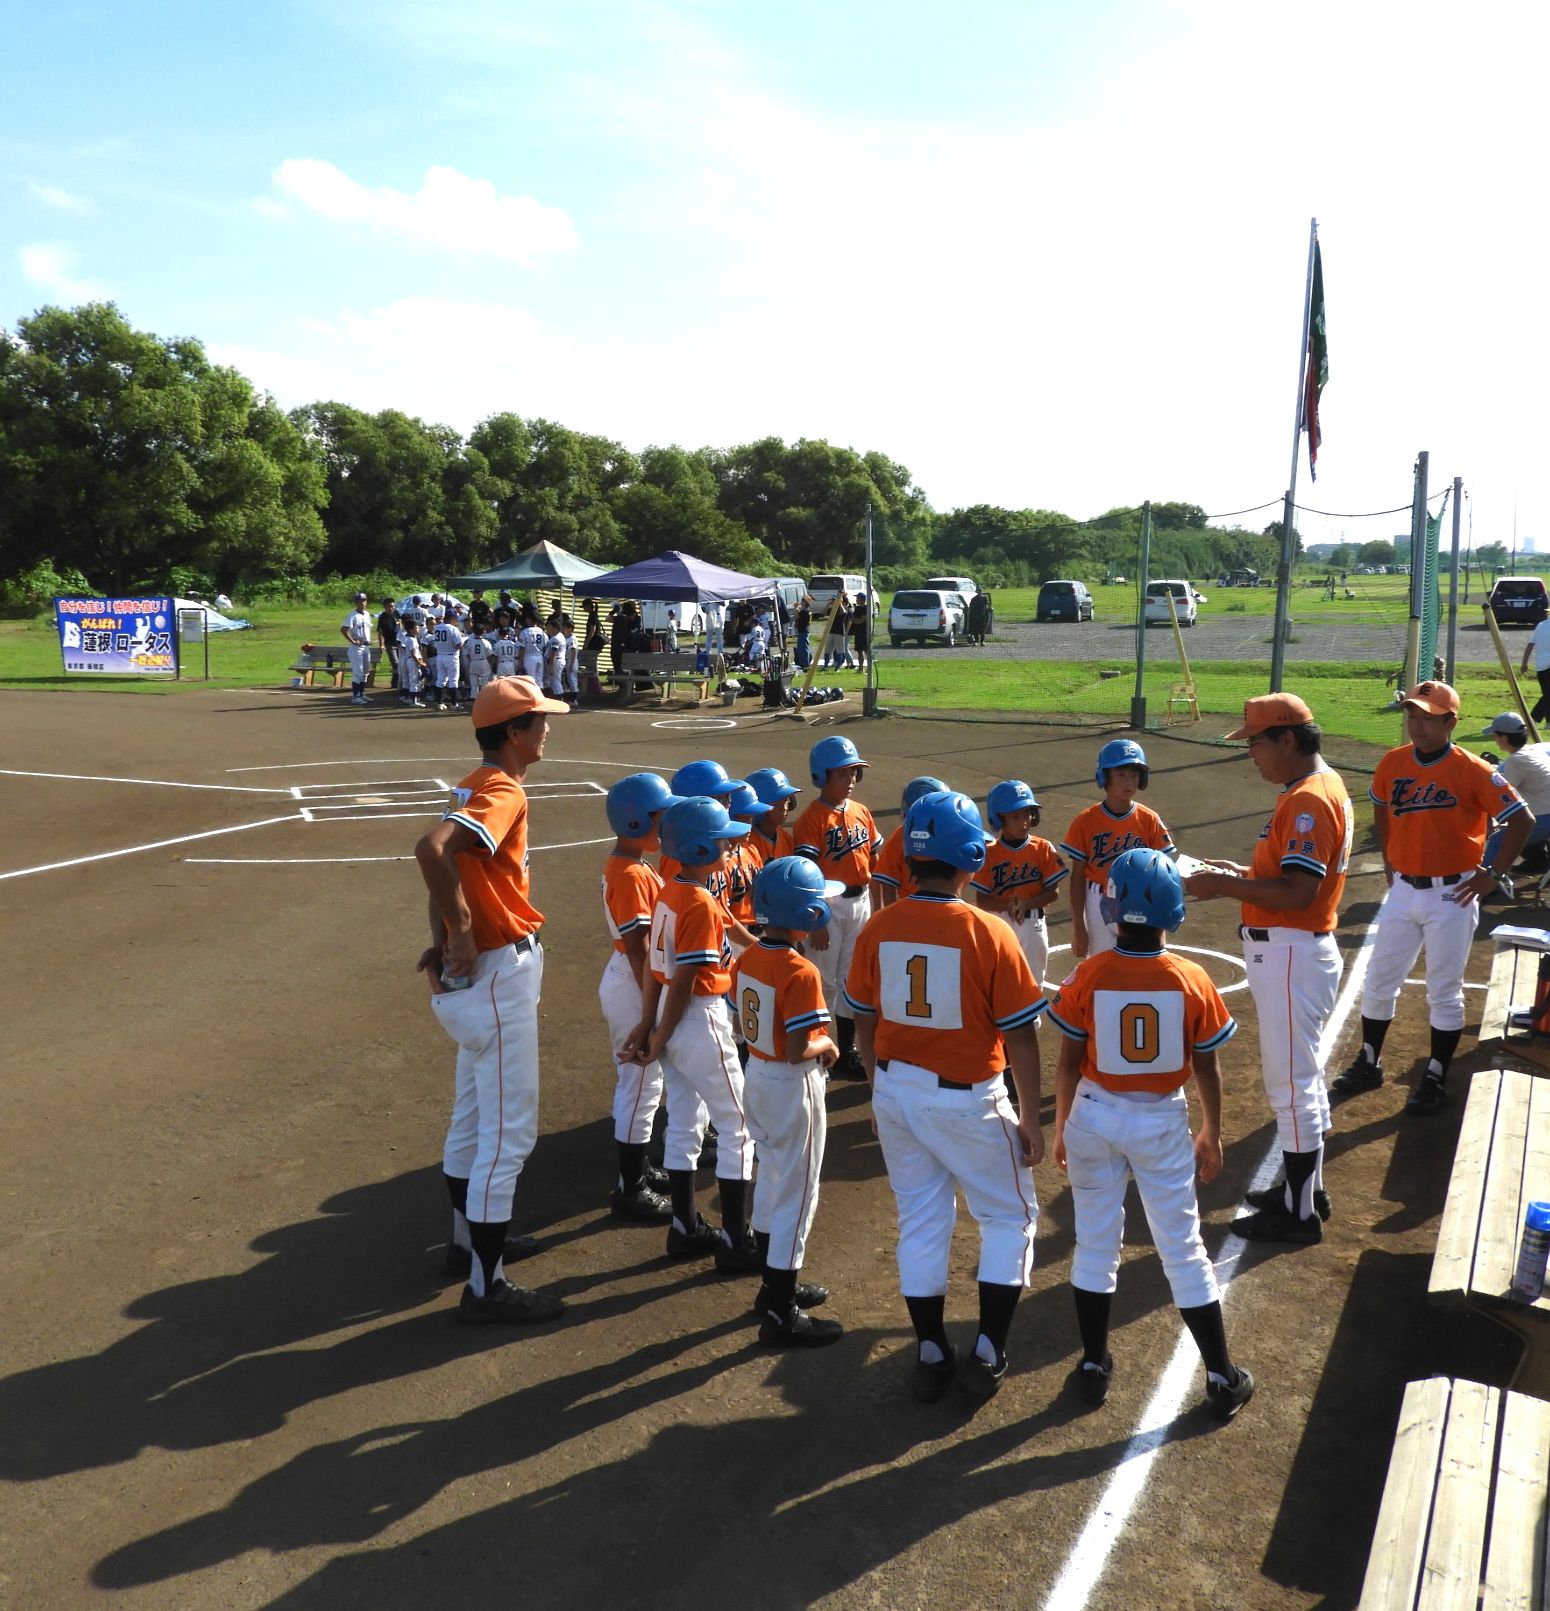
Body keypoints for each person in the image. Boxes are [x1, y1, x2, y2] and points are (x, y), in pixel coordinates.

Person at [845, 790, 1043, 1404]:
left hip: (896, 1091)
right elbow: (1021, 1035)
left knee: (922, 1221)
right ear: (971, 857)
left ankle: (932, 1351)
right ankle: (986, 1351)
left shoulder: (880, 925)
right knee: (1009, 1217)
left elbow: (863, 1019)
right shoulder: (990, 931)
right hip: (968, 1099)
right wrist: (1031, 1118)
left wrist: (877, 1091)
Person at [1046, 849, 1255, 1421]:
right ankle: (1221, 1375)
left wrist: (1062, 1128)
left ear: (1112, 908)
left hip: (1093, 1114)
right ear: (1174, 911)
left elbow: (1067, 1066)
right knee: (1182, 1248)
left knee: (1095, 1243)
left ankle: (1094, 1364)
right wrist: (1211, 1131)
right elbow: (1207, 1066)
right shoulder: (1192, 978)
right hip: (1160, 1118)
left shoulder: (1089, 973)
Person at [413, 676, 572, 1325]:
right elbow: (431, 850)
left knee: (474, 1118)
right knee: (508, 1135)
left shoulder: (471, 784)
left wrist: (444, 934)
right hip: (501, 969)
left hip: (486, 973)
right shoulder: (503, 789)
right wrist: (460, 929)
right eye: (539, 720)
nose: (547, 729)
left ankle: (466, 1244)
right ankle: (486, 1284)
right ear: (514, 731)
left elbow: (446, 866)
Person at [1183, 694, 1353, 1244]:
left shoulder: (1309, 801)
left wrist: (1222, 886)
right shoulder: (1316, 788)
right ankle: (1307, 1193)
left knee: (1291, 1086)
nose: (1251, 753)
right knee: (1303, 1080)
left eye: (1255, 742)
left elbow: (1299, 892)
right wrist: (1240, 873)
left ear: (1286, 739)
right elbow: (1287, 874)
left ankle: (1299, 1216)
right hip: (1293, 952)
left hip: (1291, 952)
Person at [1332, 680, 1531, 1113]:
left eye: (1428, 717)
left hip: (1453, 895)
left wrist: (1493, 874)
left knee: (1443, 990)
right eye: (1412, 715)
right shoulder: (1393, 761)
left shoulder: (1473, 769)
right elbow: (1381, 805)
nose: (1417, 724)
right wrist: (1389, 856)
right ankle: (1369, 1062)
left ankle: (1436, 1074)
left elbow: (1522, 819)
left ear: (1450, 722)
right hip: (1404, 891)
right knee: (1379, 980)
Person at [621, 797, 759, 1270]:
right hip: (697, 1017)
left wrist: (650, 1023)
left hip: (673, 1017)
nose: (730, 844)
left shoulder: (672, 890)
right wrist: (657, 1035)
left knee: (684, 1120)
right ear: (700, 848)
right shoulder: (697, 900)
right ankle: (737, 1242)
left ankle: (684, 1228)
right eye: (722, 839)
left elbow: (657, 965)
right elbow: (684, 977)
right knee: (739, 1125)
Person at [736, 858, 846, 1347]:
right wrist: (829, 1043)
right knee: (799, 1194)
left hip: (757, 1076)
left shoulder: (748, 956)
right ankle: (781, 1312)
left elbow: (743, 1024)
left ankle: (772, 1286)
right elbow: (801, 1046)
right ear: (807, 913)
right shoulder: (800, 970)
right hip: (791, 1085)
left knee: (772, 1178)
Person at [599, 774, 682, 1222]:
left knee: (645, 1084)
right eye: (659, 816)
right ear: (634, 820)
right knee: (640, 1085)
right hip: (635, 983)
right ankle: (629, 1188)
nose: (665, 824)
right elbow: (639, 949)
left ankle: (639, 1169)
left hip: (637, 979)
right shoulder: (630, 873)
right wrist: (650, 1014)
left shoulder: (635, 864)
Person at [791, 735, 882, 1079]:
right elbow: (806, 874)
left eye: (854, 773)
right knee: (824, 983)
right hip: (828, 906)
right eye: (843, 774)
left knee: (852, 980)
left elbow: (874, 858)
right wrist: (815, 919)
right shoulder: (812, 819)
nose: (851, 780)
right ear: (822, 776)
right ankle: (821, 1050)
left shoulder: (861, 812)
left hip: (861, 901)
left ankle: (846, 1050)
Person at [1061, 739, 1175, 959]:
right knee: (1103, 966)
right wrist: (1078, 927)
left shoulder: (1149, 819)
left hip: (1141, 900)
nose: (1128, 782)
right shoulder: (1085, 821)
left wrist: (1160, 927)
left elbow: (1162, 876)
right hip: (1098, 900)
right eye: (1121, 775)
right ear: (1105, 777)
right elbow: (1078, 878)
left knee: (1144, 964)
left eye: (1134, 775)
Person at [971, 779, 1067, 987]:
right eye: (1016, 816)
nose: (1024, 821)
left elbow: (1053, 893)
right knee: (997, 982)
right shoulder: (989, 853)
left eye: (1027, 814)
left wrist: (1026, 904)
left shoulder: (1043, 848)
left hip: (1032, 923)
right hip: (998, 923)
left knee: (1032, 984)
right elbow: (982, 900)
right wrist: (1008, 905)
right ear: (998, 818)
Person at [1480, 711, 1550, 871]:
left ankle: (1488, 879)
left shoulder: (1516, 761)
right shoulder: (1532, 751)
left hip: (1545, 819)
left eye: (1495, 736)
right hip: (1544, 815)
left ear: (1504, 738)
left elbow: (1498, 794)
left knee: (1498, 840)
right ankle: (1536, 863)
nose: (1495, 740)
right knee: (1523, 820)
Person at [873, 776, 949, 908]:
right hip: (910, 908)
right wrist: (892, 914)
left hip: (945, 906)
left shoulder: (948, 836)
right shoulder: (900, 836)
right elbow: (887, 881)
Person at [743, 767, 802, 864]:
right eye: (776, 803)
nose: (784, 808)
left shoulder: (788, 841)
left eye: (785, 800)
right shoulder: (745, 842)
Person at [339, 591, 374, 706]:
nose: (363, 602)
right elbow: (344, 630)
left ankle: (361, 694)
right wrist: (353, 641)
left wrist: (369, 639)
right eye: (360, 600)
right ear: (356, 602)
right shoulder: (352, 615)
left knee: (365, 672)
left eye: (364, 600)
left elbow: (367, 629)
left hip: (366, 647)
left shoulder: (367, 614)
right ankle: (356, 696)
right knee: (358, 672)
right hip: (356, 648)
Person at [430, 610, 465, 710]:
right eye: (455, 619)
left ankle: (439, 702)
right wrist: (463, 639)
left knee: (441, 680)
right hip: (451, 656)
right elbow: (459, 645)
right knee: (453, 680)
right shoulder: (453, 629)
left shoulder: (437, 627)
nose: (456, 621)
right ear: (452, 618)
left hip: (440, 656)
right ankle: (454, 704)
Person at [1519, 612, 1550, 724]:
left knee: (1547, 695)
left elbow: (1530, 645)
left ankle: (1549, 722)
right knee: (1548, 697)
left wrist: (1524, 663)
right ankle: (1533, 719)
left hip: (1541, 667)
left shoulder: (1540, 625)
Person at [397, 618, 428, 707]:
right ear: (411, 630)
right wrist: (420, 663)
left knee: (413, 680)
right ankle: (414, 702)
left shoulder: (409, 638)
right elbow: (413, 653)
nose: (418, 629)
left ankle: (413, 699)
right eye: (416, 628)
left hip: (410, 660)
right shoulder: (412, 640)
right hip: (412, 661)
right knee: (414, 681)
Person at [376, 596, 401, 691]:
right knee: (395, 663)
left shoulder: (396, 613)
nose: (391, 608)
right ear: (385, 607)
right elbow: (380, 632)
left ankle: (399, 681)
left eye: (392, 606)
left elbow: (400, 624)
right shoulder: (382, 617)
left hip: (398, 642)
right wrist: (381, 644)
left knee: (401, 663)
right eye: (389, 606)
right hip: (389, 643)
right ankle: (395, 682)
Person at [517, 605, 546, 684]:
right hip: (539, 656)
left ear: (530, 619)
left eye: (527, 618)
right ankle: (540, 692)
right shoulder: (542, 632)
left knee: (530, 680)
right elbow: (545, 645)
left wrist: (520, 661)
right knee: (539, 679)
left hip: (529, 657)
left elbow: (522, 648)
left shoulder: (525, 631)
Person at [849, 596, 870, 673]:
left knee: (867, 651)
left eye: (858, 598)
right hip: (858, 632)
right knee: (859, 651)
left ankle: (869, 668)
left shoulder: (866, 608)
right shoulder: (857, 608)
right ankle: (860, 668)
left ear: (862, 599)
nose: (856, 599)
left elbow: (862, 620)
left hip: (865, 632)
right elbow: (852, 618)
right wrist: (854, 619)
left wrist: (855, 620)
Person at [794, 598, 812, 670]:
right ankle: (802, 663)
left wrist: (796, 608)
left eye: (802, 601)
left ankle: (805, 664)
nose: (801, 602)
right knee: (801, 648)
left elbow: (797, 616)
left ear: (805, 602)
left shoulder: (805, 611)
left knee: (803, 649)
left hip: (803, 631)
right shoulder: (806, 610)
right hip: (804, 630)